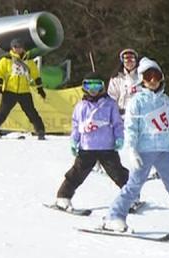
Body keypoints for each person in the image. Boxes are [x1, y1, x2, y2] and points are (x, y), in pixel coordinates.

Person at [102, 57, 169, 237]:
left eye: (156, 76)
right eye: (149, 76)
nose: (153, 80)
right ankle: (115, 215)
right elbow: (131, 127)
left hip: (163, 151)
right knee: (134, 185)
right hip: (144, 151)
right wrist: (132, 149)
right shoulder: (137, 102)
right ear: (142, 79)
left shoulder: (167, 102)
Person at [51, 76, 129, 210]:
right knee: (77, 173)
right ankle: (63, 197)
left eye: (96, 86)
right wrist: (74, 141)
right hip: (87, 147)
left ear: (102, 87)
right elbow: (76, 125)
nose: (93, 90)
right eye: (89, 86)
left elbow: (117, 123)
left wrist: (119, 138)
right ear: (84, 88)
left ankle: (131, 197)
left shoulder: (109, 104)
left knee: (118, 173)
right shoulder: (81, 106)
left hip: (107, 146)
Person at [0, 37, 47, 139]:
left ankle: (40, 131)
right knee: (2, 112)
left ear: (23, 48)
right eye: (15, 47)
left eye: (20, 47)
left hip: (24, 91)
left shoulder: (28, 61)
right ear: (12, 48)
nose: (18, 49)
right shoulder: (6, 60)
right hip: (10, 91)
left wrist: (40, 89)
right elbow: (0, 74)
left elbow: (36, 75)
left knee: (31, 112)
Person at [107, 48, 142, 114]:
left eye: (132, 59)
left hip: (139, 113)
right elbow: (112, 98)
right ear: (122, 61)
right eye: (126, 59)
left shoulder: (141, 76)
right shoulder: (116, 78)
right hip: (122, 114)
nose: (129, 62)